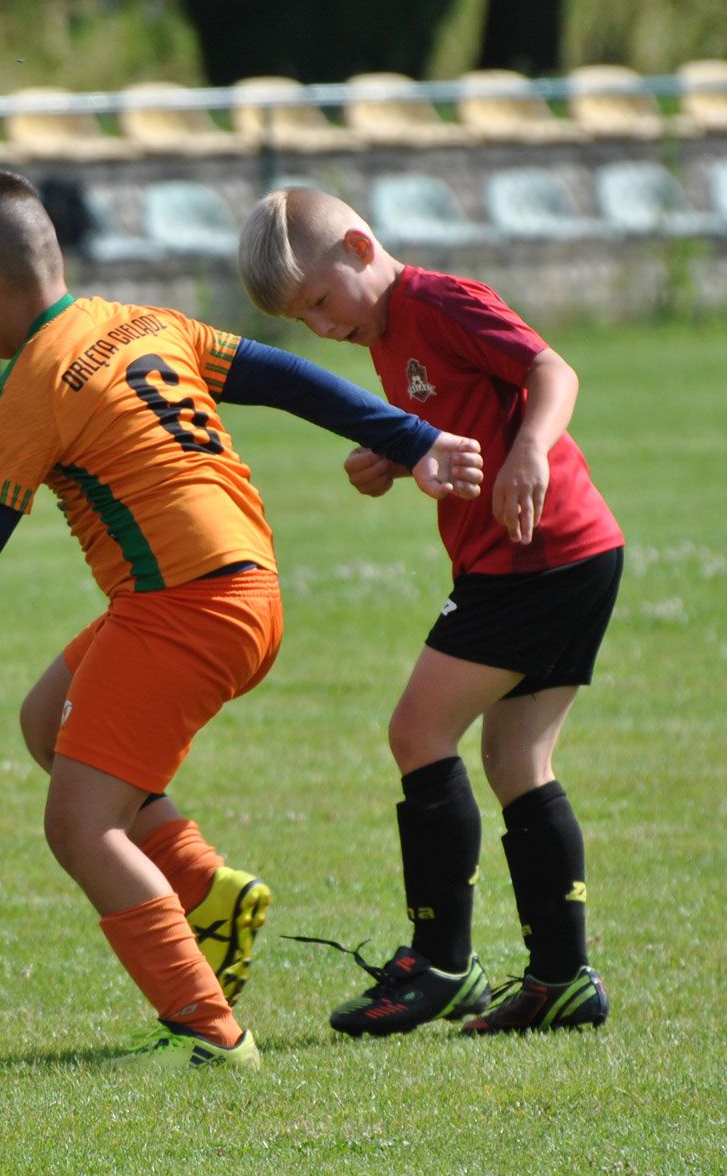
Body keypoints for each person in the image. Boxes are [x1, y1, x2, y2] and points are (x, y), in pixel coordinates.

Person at [0, 171, 483, 1071]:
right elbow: (284, 376)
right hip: (246, 593)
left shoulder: (33, 383)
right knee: (46, 721)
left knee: (80, 825)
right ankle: (207, 894)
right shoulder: (141, 322)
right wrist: (409, 438)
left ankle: (208, 1028)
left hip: (185, 610)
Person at [238, 186, 622, 1037]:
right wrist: (391, 453)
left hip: (538, 557)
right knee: (517, 755)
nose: (326, 329)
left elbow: (553, 370)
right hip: (560, 558)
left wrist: (531, 452)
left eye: (322, 303)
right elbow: (447, 417)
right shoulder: (386, 331)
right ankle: (561, 979)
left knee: (418, 733)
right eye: (305, 322)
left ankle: (442, 966)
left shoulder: (437, 301)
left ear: (360, 247)